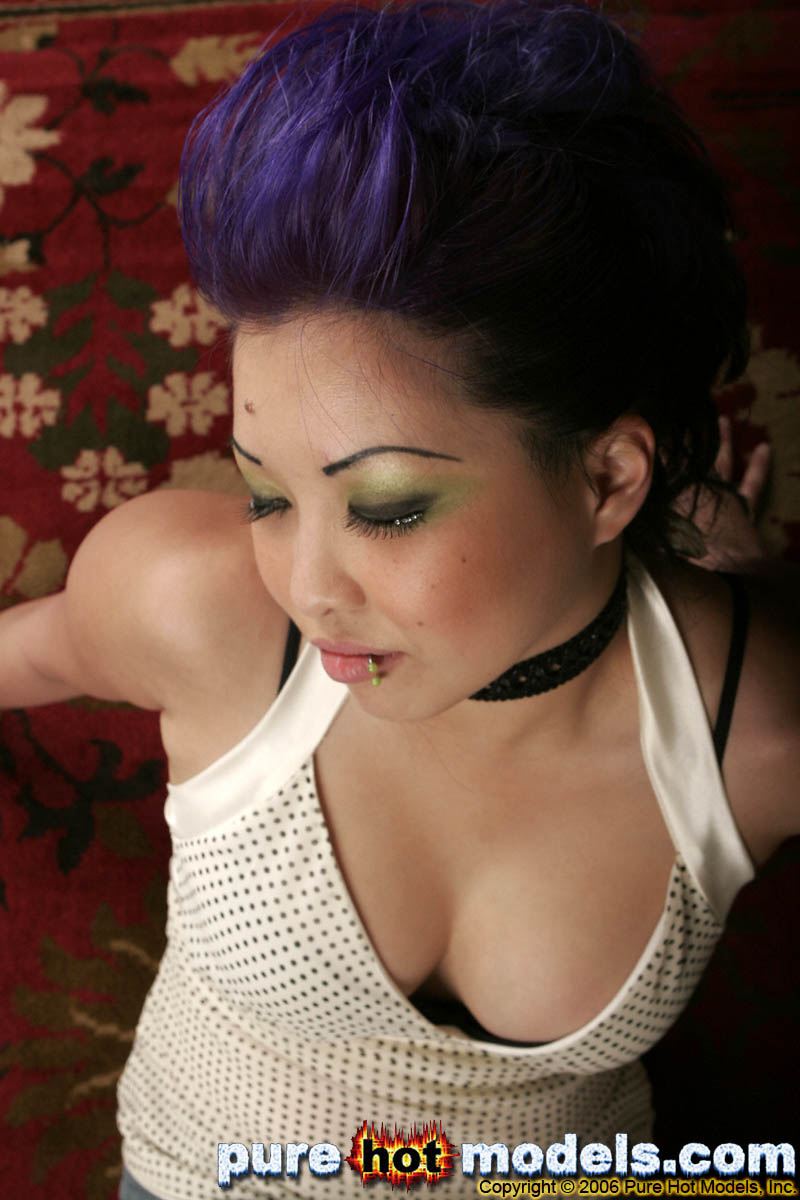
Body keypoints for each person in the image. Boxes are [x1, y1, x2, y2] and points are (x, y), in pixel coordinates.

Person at [0, 1, 797, 1197]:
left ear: (605, 480)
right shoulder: (189, 602)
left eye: (384, 507)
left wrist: (734, 577)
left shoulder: (757, 731)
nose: (306, 588)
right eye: (267, 493)